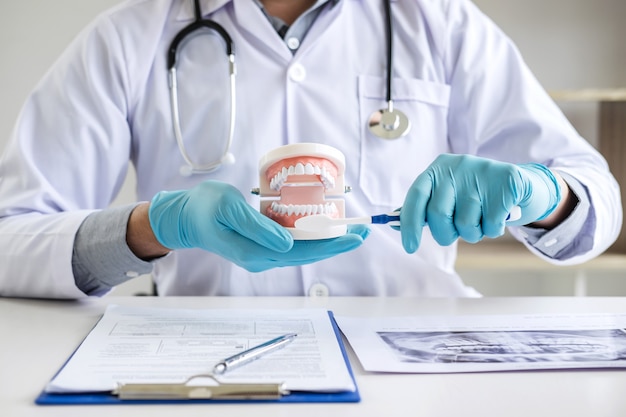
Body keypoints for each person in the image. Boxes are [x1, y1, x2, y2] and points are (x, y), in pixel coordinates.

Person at [0, 0, 621, 299]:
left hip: (417, 363)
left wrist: (538, 193)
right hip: (212, 369)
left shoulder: (440, 23)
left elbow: (596, 209)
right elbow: (10, 239)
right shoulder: (130, 36)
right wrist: (152, 227)